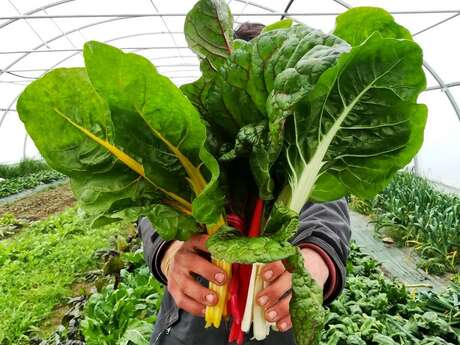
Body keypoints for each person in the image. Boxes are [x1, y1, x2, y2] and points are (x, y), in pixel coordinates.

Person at [137, 22, 352, 345]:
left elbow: (327, 212)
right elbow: (152, 198)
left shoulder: (300, 137)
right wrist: (170, 253)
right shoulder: (200, 128)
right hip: (189, 328)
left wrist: (311, 269)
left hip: (274, 326)